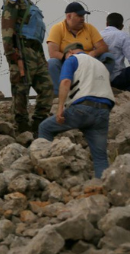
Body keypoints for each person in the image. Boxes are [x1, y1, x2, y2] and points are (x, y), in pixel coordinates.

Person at [38, 43, 115, 178]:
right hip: (103, 111)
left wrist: (60, 107)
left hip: (82, 108)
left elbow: (65, 82)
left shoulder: (72, 59)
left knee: (45, 128)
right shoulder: (100, 64)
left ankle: (44, 172)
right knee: (100, 157)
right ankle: (104, 186)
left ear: (70, 52)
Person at [1, 0, 53, 135]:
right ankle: (22, 126)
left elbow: (36, 35)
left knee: (47, 88)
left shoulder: (29, 3)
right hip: (21, 50)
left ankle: (39, 124)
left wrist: (42, 57)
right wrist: (10, 52)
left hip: (35, 52)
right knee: (21, 89)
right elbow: (7, 26)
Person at [47, 2, 115, 95]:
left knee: (108, 57)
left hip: (88, 61)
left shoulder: (89, 28)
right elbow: (53, 52)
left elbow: (103, 47)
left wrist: (94, 53)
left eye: (83, 16)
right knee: (52, 63)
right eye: (79, 16)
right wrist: (67, 57)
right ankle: (58, 94)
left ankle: (100, 87)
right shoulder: (57, 28)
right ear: (69, 16)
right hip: (67, 62)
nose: (82, 18)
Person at [100, 12, 130, 94]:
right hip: (117, 78)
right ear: (122, 26)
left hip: (100, 79)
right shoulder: (123, 36)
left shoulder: (98, 35)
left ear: (107, 24)